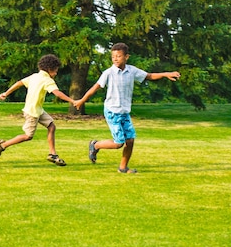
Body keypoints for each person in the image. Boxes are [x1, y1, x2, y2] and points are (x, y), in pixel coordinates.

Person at [75, 42, 180, 173]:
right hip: (112, 111)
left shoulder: (132, 71)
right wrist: (82, 100)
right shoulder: (108, 73)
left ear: (126, 57)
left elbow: (149, 76)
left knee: (130, 140)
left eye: (118, 56)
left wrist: (165, 74)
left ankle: (123, 168)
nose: (115, 59)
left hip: (125, 112)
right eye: (113, 56)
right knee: (118, 143)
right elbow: (94, 88)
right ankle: (95, 145)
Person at [0, 54, 78, 166]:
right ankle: (3, 145)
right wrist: (72, 101)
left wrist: (6, 93)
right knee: (28, 136)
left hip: (38, 109)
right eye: (56, 70)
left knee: (51, 126)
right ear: (50, 69)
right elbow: (57, 93)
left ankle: (52, 154)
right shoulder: (47, 80)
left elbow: (19, 83)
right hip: (32, 112)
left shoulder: (34, 76)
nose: (56, 73)